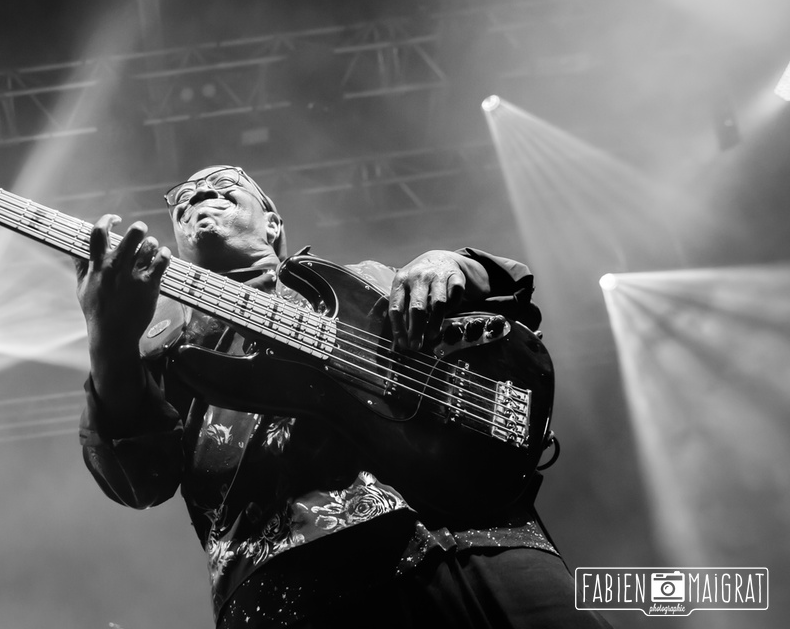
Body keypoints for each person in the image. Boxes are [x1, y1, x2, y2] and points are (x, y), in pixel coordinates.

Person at [75, 165, 610, 628]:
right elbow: (137, 481)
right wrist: (107, 338)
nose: (197, 194)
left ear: (273, 223)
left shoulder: (364, 281)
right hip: (300, 588)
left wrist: (453, 264)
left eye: (221, 185)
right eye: (183, 200)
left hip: (483, 536)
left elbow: (507, 301)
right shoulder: (164, 348)